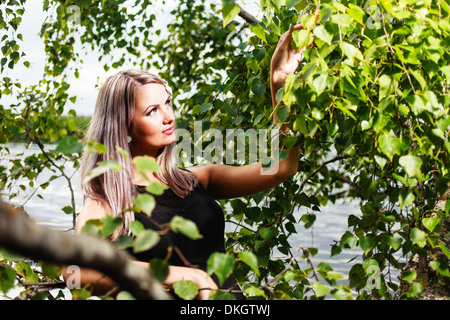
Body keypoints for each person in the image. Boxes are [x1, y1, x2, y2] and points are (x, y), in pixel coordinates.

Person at [63, 25, 305, 300]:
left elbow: (281, 167)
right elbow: (75, 273)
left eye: (168, 103)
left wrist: (281, 84)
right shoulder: (107, 203)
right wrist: (186, 277)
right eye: (152, 110)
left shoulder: (193, 180)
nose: (168, 116)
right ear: (124, 126)